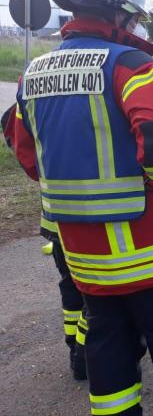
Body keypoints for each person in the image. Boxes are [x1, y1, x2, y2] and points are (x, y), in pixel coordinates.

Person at [13, 0, 153, 414]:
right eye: (137, 18)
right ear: (119, 15)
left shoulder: (34, 75)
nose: (140, 26)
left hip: (88, 262)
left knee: (109, 361)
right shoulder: (131, 67)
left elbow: (26, 150)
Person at [2, 106, 87, 381]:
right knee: (99, 297)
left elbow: (22, 149)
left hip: (57, 219)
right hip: (97, 223)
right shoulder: (97, 90)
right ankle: (84, 357)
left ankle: (76, 349)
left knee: (72, 286)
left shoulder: (37, 90)